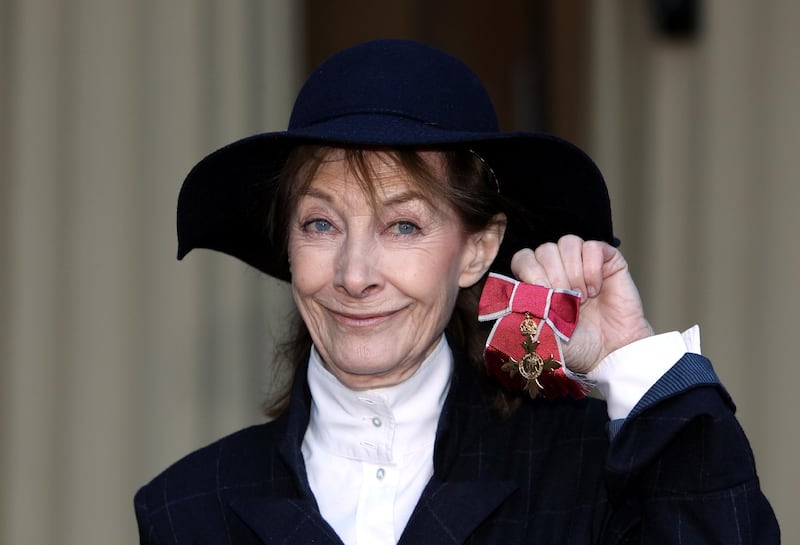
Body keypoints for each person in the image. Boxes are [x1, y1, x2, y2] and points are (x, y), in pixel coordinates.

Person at [134, 39, 779, 544]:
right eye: (321, 223)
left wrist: (629, 355)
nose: (354, 274)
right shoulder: (189, 506)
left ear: (475, 248)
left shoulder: (583, 469)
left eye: (404, 225)